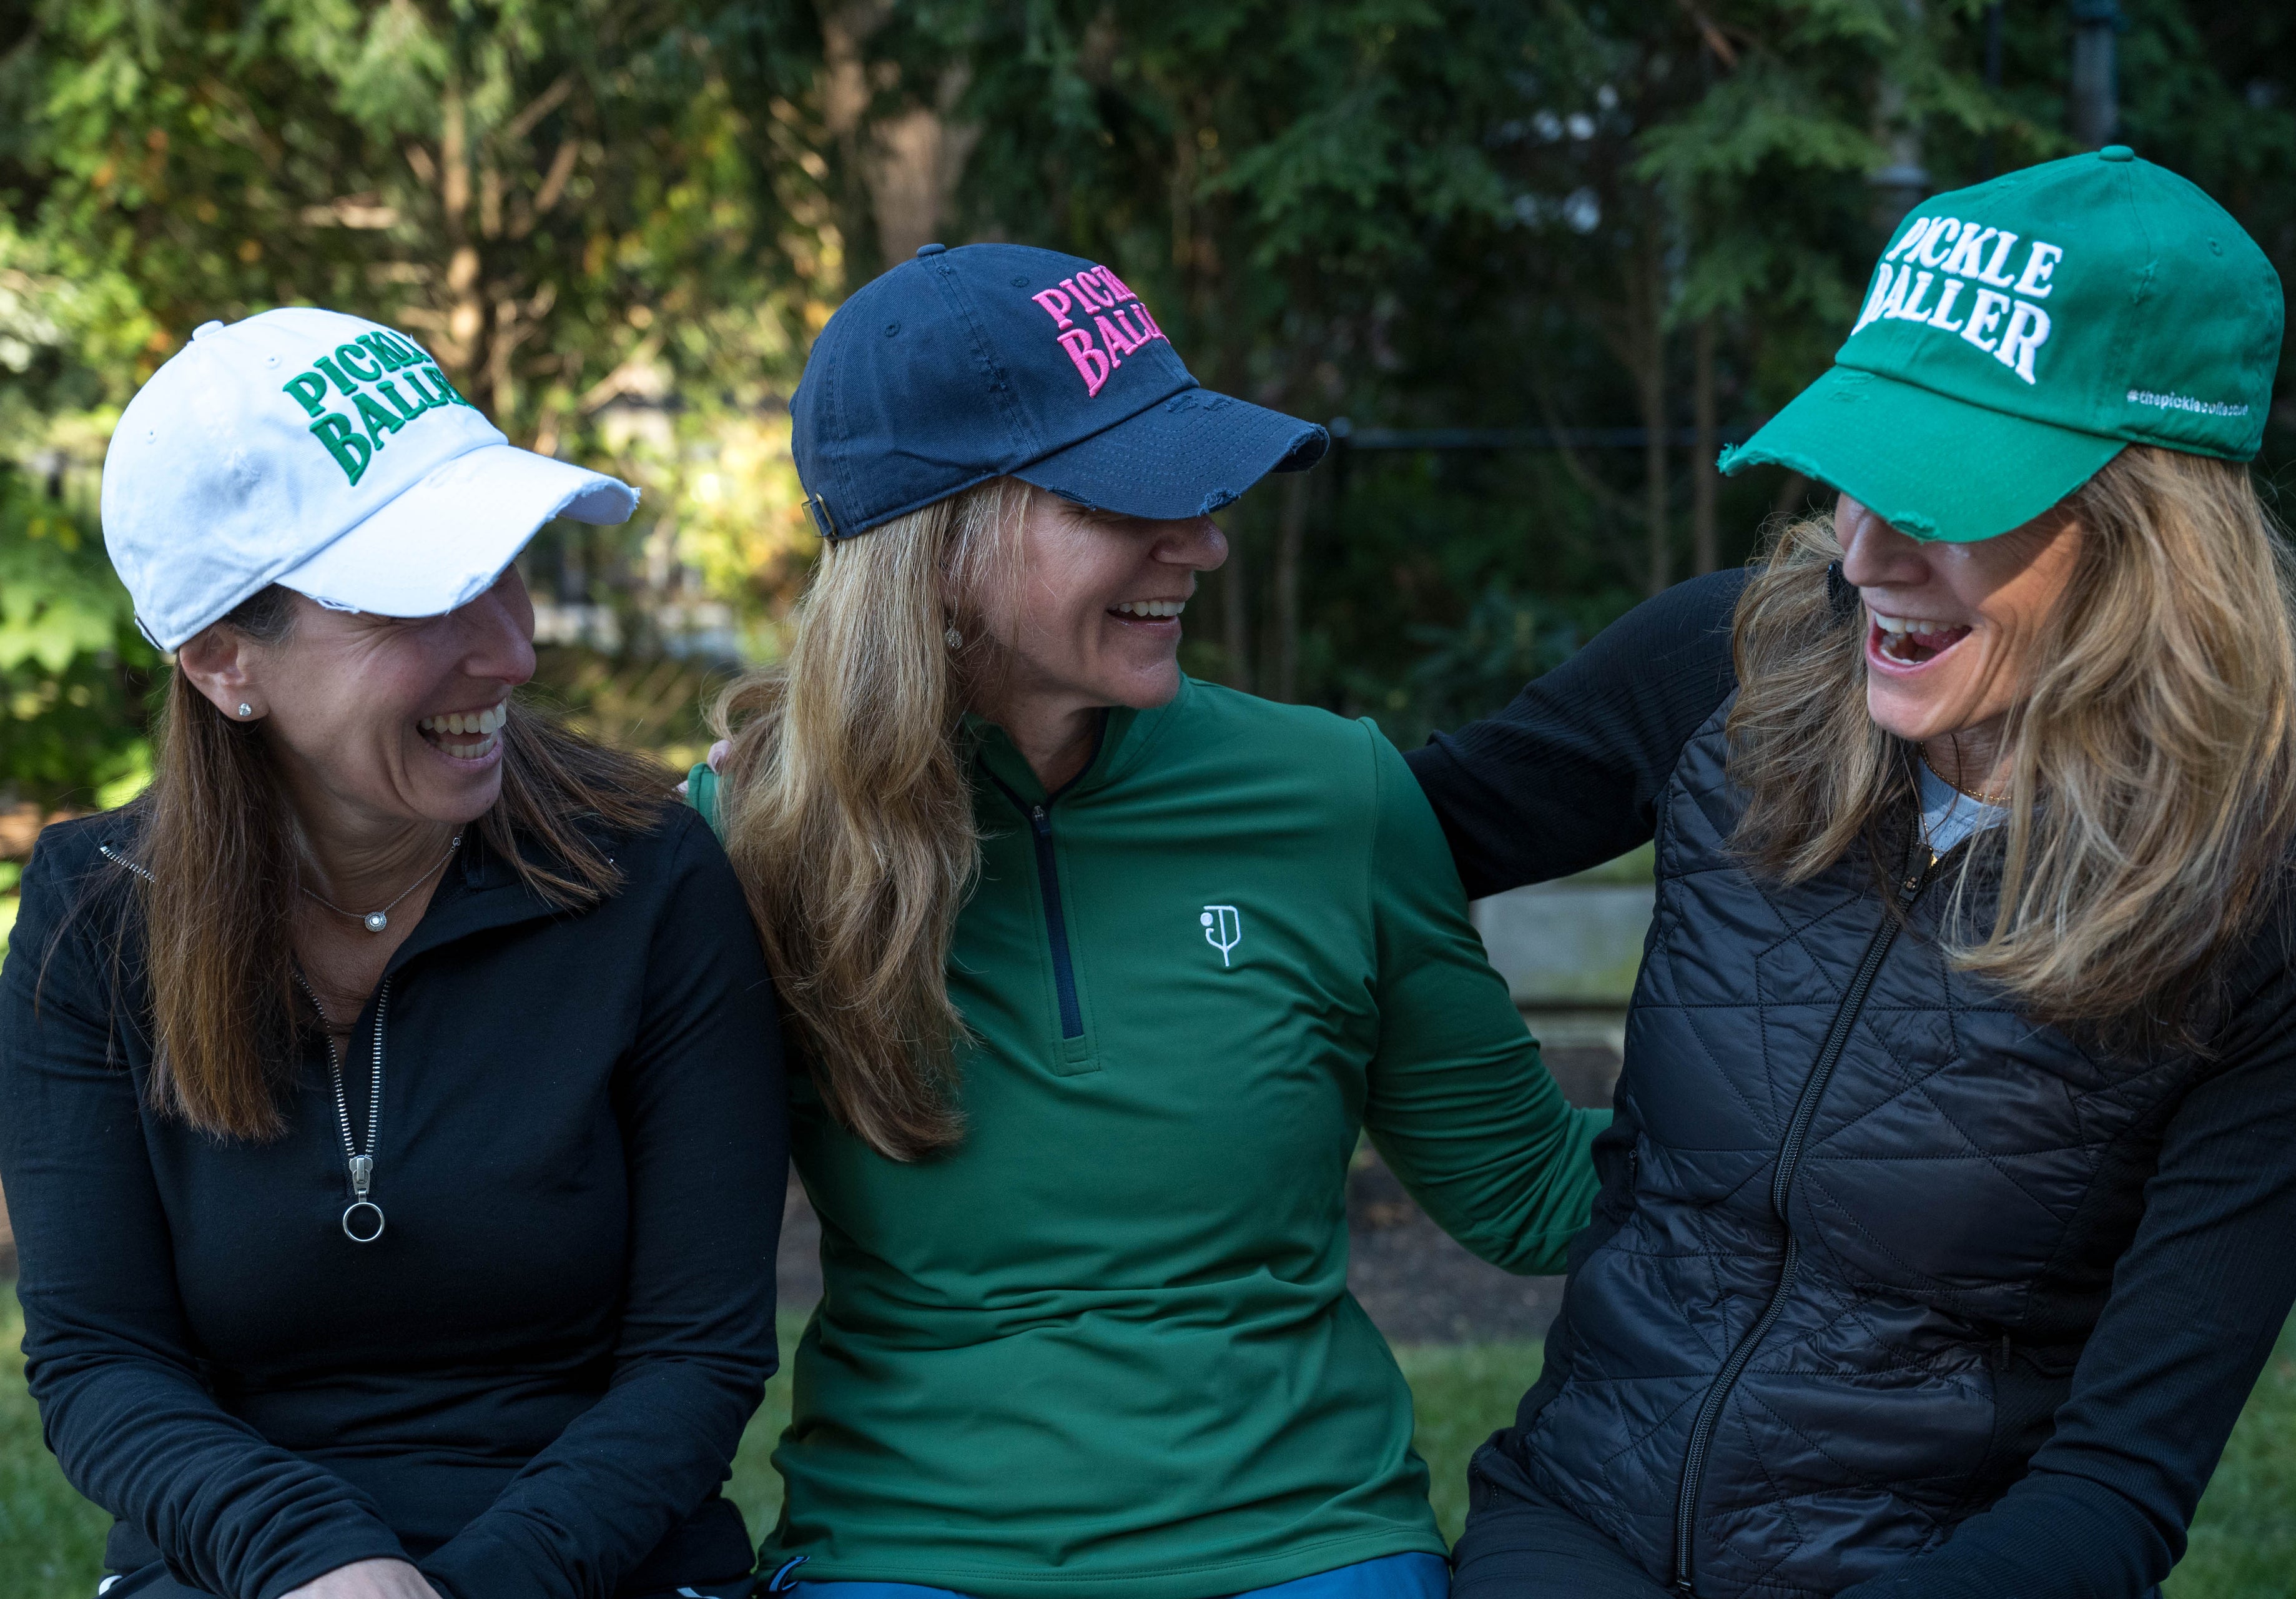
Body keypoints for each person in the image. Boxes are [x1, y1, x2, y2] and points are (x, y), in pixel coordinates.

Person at [1404, 148, 2296, 1599]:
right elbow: (1364, 844)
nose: (1861, 554)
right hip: (1576, 1520)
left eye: (1939, 497)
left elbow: (2118, 1484)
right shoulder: (1729, 662)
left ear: (2151, 538)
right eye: (1861, 472)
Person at [684, 242, 1606, 1599]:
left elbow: (1531, 1194)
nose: (1205, 541)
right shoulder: (750, 834)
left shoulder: (1331, 789)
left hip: (1304, 1540)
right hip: (907, 1548)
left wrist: (1872, 1145)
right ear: (941, 549)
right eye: (1132, 497)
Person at [0, 309, 789, 1599]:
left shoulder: (645, 870)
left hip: (601, 1567)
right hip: (241, 1572)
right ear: (221, 661)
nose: (513, 649)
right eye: (424, 597)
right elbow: (100, 1361)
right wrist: (322, 1560)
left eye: (508, 567)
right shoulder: (97, 918)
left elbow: (695, 1360)